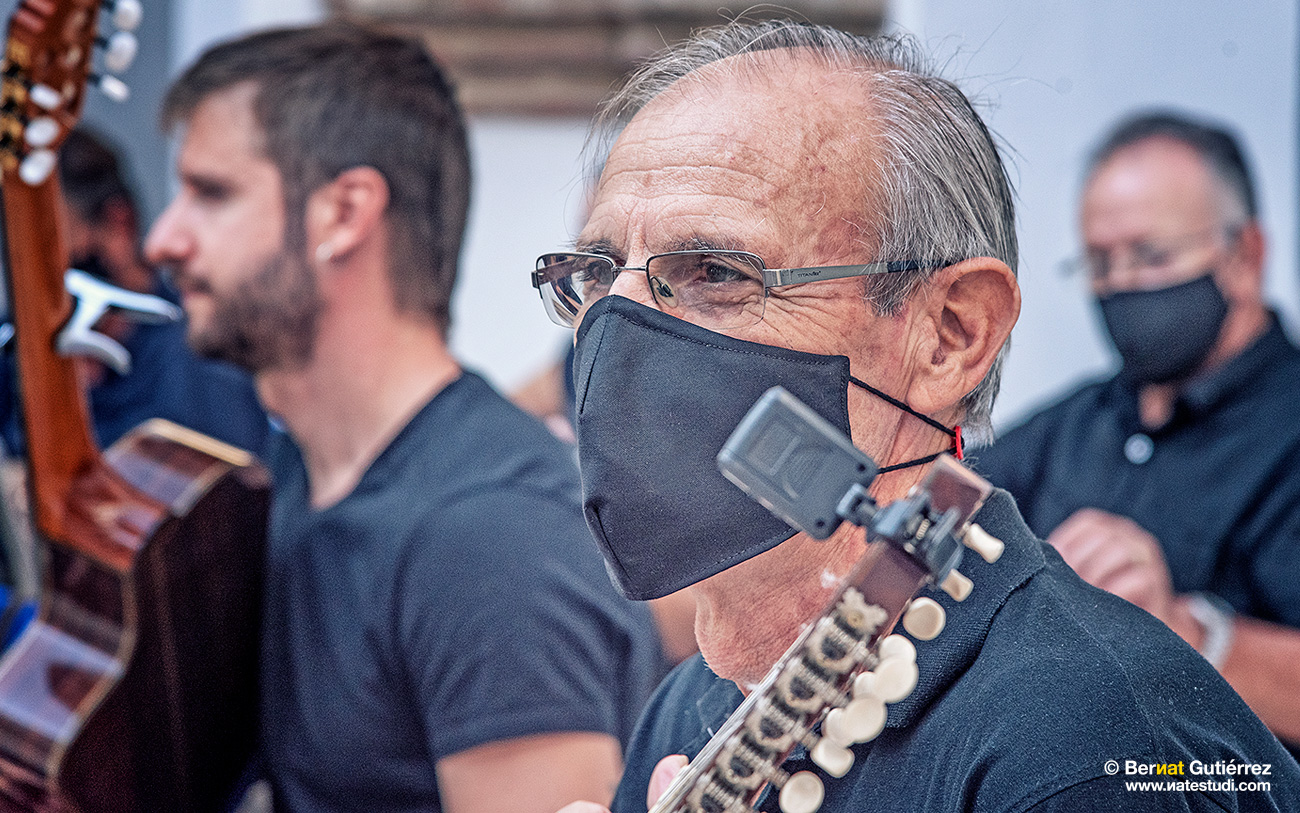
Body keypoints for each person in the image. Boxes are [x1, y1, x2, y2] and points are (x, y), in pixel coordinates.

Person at [536, 20, 1300, 813]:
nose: (621, 335)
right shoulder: (692, 707)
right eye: (596, 275)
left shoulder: (1084, 750)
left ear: (950, 334)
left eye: (716, 272)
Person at [143, 23, 661, 813]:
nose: (163, 238)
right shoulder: (293, 475)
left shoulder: (488, 536)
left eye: (212, 193)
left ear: (343, 214)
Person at [975, 112, 1300, 756]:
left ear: (1245, 255)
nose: (1121, 284)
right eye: (1100, 262)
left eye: (1150, 256)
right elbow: (947, 506)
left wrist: (1185, 629)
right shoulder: (1074, 423)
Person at [0, 127, 269, 454]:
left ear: (119, 223)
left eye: (47, 246)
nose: (33, 274)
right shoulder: (14, 348)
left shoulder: (199, 359)